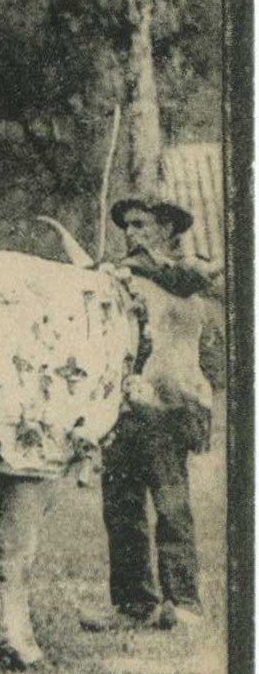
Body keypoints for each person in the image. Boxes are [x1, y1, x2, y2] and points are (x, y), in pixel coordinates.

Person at [83, 197, 224, 633]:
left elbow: (194, 292)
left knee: (171, 506)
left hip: (169, 405)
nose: (131, 233)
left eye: (141, 225)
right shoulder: (122, 278)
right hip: (126, 407)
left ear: (166, 229)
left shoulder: (192, 278)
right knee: (122, 509)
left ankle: (183, 603)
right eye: (127, 225)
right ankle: (133, 604)